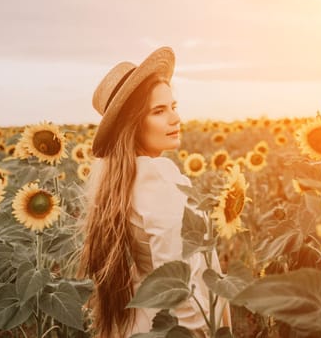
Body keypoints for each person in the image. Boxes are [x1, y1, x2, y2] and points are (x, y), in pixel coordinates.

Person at [77, 46, 230, 337]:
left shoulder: (122, 180)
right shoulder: (157, 179)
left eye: (173, 106)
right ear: (133, 125)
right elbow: (178, 286)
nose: (175, 119)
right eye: (159, 111)